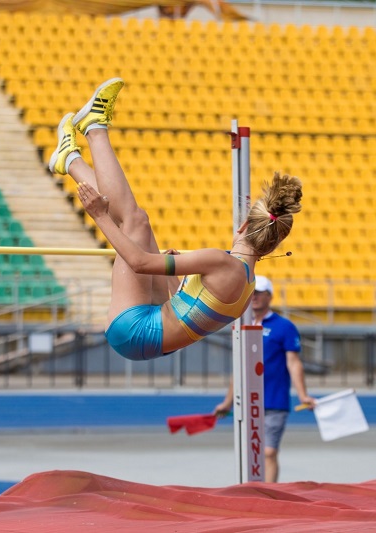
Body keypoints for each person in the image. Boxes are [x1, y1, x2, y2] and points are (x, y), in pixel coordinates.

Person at [48, 78, 303, 361]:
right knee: (140, 224)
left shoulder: (221, 261)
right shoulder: (248, 284)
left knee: (131, 220)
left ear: (243, 227)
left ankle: (94, 129)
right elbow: (184, 309)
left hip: (134, 330)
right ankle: (69, 159)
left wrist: (99, 216)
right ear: (269, 246)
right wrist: (172, 282)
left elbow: (139, 263)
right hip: (152, 334)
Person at [214, 275, 316, 482]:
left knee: (268, 452)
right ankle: (251, 492)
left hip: (274, 400)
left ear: (269, 296)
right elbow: (239, 368)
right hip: (247, 402)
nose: (255, 297)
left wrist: (303, 395)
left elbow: (293, 363)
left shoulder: (284, 327)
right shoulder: (239, 326)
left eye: (260, 293)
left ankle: (268, 493)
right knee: (249, 452)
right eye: (252, 293)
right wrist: (228, 402)